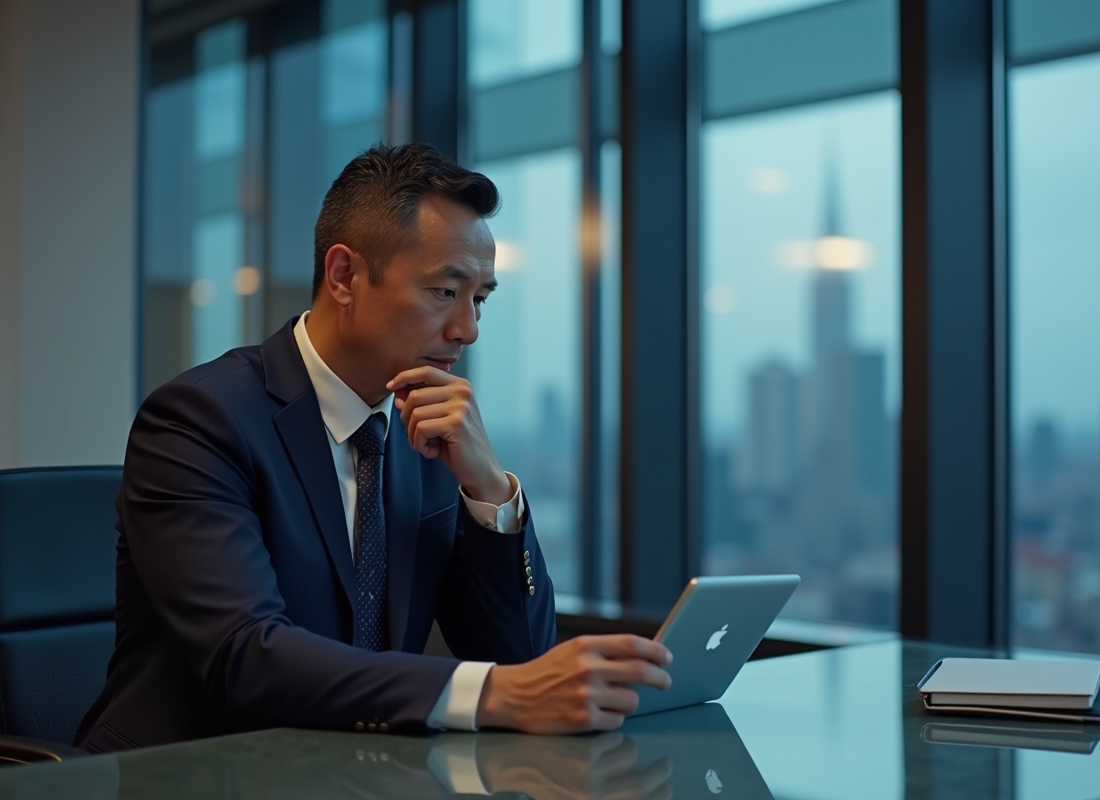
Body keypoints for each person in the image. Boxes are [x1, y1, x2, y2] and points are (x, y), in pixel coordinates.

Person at [76, 143, 672, 753]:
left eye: (480, 300)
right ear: (344, 276)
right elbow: (245, 655)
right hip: (188, 773)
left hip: (356, 773)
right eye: (444, 292)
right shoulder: (201, 420)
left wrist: (490, 489)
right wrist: (492, 693)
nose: (468, 330)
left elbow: (520, 657)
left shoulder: (427, 431)